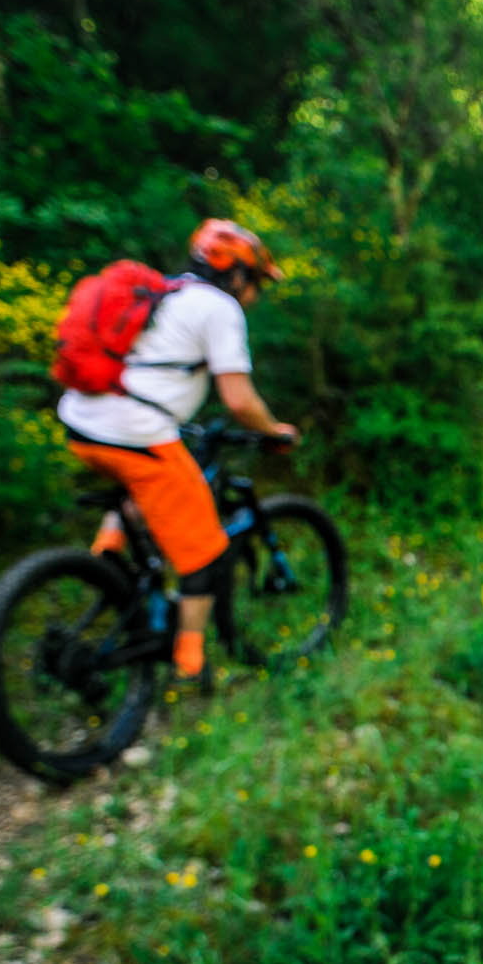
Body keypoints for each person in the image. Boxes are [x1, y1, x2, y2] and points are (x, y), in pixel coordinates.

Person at [56, 218, 299, 688]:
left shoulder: (165, 293)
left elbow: (154, 371)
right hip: (133, 432)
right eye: (255, 286)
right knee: (204, 547)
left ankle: (107, 567)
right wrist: (275, 430)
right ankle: (189, 662)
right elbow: (238, 400)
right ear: (235, 276)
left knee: (148, 486)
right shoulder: (219, 309)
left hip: (82, 423)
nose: (254, 298)